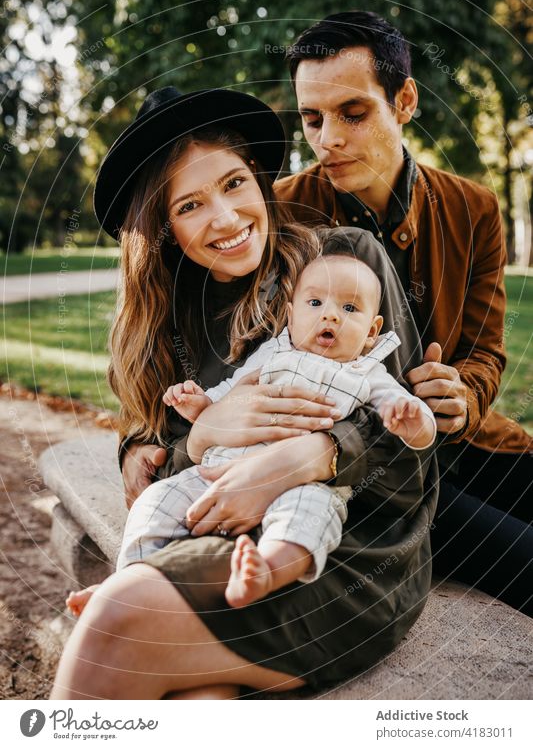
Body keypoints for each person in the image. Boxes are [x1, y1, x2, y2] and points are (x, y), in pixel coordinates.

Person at [51, 86, 438, 699]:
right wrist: (203, 434)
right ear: (164, 228)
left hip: (340, 549)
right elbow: (162, 464)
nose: (226, 219)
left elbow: (413, 458)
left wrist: (319, 452)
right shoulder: (171, 325)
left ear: (259, 178)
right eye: (191, 205)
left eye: (234, 184)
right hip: (213, 541)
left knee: (115, 626)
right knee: (195, 699)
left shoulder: (344, 262)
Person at [273, 10, 533, 616]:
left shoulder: (475, 209)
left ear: (405, 100)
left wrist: (463, 393)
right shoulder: (283, 215)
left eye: (352, 113)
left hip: (468, 444)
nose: (327, 138)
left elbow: (486, 351)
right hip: (374, 476)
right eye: (312, 119)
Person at [66, 252, 436, 614]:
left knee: (310, 516)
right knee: (156, 502)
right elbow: (228, 391)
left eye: (350, 309)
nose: (330, 314)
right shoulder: (272, 354)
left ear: (372, 332)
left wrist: (415, 423)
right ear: (290, 315)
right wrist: (200, 407)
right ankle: (125, 582)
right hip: (221, 470)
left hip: (305, 483)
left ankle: (266, 570)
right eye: (315, 302)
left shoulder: (367, 372)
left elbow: (410, 426)